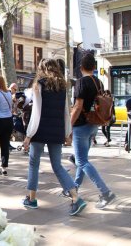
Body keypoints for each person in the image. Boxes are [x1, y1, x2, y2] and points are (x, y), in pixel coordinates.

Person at [21, 58, 86, 216]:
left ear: (42, 68)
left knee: (33, 164)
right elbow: (65, 111)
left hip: (39, 131)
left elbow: (36, 113)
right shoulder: (62, 86)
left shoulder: (38, 85)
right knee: (57, 166)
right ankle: (76, 198)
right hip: (56, 131)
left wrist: (28, 135)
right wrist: (67, 133)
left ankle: (32, 199)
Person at [71, 53, 116, 209]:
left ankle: (106, 192)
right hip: (93, 124)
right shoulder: (99, 83)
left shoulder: (81, 83)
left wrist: (68, 126)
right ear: (94, 67)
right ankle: (74, 188)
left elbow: (77, 107)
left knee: (81, 161)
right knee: (81, 160)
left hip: (81, 125)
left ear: (81, 67)